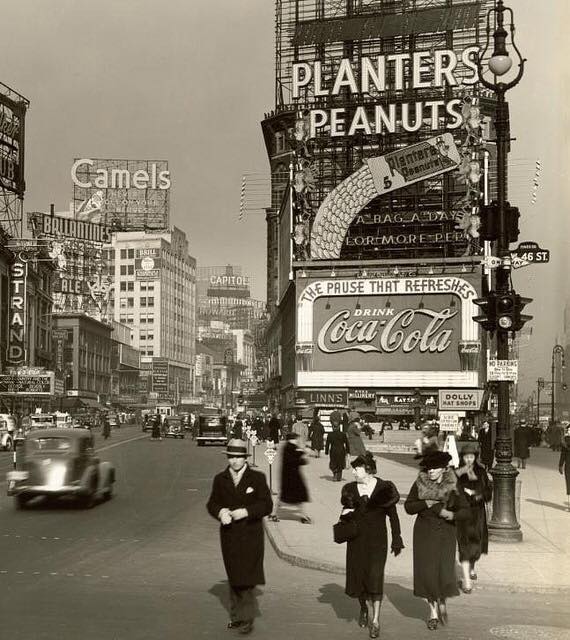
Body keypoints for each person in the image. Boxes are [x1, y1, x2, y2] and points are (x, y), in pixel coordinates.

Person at [206, 439, 272, 635]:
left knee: (247, 577)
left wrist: (246, 511)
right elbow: (212, 503)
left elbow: (266, 505)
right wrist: (220, 513)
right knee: (234, 576)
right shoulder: (220, 479)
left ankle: (247, 618)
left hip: (251, 534)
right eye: (231, 457)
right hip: (229, 535)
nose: (234, 461)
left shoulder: (257, 478)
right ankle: (237, 617)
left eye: (238, 457)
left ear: (245, 458)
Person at [339, 452, 404, 639]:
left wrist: (397, 538)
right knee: (359, 578)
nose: (352, 472)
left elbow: (393, 516)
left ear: (367, 469)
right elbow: (344, 514)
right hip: (356, 541)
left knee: (375, 578)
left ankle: (376, 620)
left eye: (356, 468)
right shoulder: (350, 489)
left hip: (377, 542)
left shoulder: (384, 488)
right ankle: (363, 608)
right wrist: (346, 517)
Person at [404, 451, 470, 631]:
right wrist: (425, 503)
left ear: (444, 468)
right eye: (428, 468)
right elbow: (408, 507)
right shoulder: (420, 483)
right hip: (424, 533)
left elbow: (466, 510)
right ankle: (433, 612)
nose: (431, 471)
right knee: (428, 572)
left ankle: (442, 600)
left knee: (443, 571)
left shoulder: (454, 485)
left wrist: (452, 514)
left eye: (434, 468)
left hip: (446, 534)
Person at [455, 441, 492, 593]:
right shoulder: (457, 472)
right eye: (466, 457)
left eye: (471, 457)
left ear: (475, 457)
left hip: (477, 515)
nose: (468, 460)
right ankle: (466, 581)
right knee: (464, 546)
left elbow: (489, 493)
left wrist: (477, 495)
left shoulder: (482, 472)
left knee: (476, 546)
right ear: (462, 458)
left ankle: (472, 566)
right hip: (463, 514)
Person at [269, 433, 311, 523]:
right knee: (296, 497)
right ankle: (302, 516)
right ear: (291, 439)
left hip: (291, 477)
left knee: (289, 497)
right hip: (290, 478)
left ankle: (274, 514)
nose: (297, 440)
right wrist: (303, 459)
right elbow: (292, 460)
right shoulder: (288, 448)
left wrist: (303, 452)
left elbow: (296, 452)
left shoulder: (289, 447)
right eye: (296, 439)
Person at [326, 411, 350, 481]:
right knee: (340, 463)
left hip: (333, 450)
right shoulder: (343, 434)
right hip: (341, 450)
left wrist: (326, 451)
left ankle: (334, 474)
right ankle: (339, 476)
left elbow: (327, 444)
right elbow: (347, 443)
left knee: (333, 463)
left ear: (333, 427)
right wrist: (348, 451)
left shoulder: (330, 434)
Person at [558, 425, 570, 511]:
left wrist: (560, 465)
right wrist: (560, 465)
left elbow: (563, 455)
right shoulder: (565, 441)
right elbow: (563, 454)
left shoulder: (565, 441)